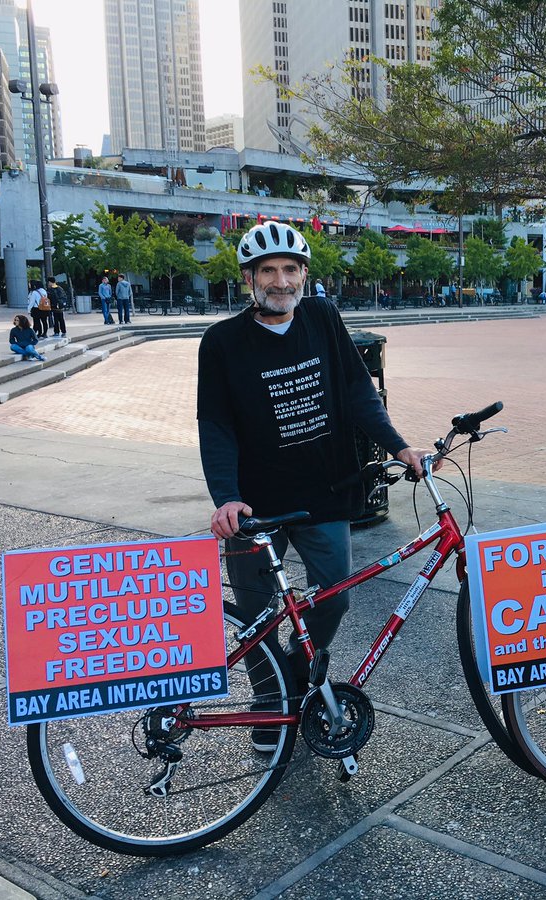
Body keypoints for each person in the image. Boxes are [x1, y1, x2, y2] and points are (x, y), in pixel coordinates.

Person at [197, 222, 434, 752]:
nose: (281, 281)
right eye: (268, 271)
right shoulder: (221, 342)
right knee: (256, 616)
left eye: (290, 270)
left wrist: (399, 447)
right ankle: (267, 701)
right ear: (249, 279)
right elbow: (214, 426)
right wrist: (226, 498)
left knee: (334, 599)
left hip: (322, 495)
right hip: (254, 507)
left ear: (304, 275)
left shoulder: (323, 317)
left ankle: (301, 676)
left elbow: (357, 391)